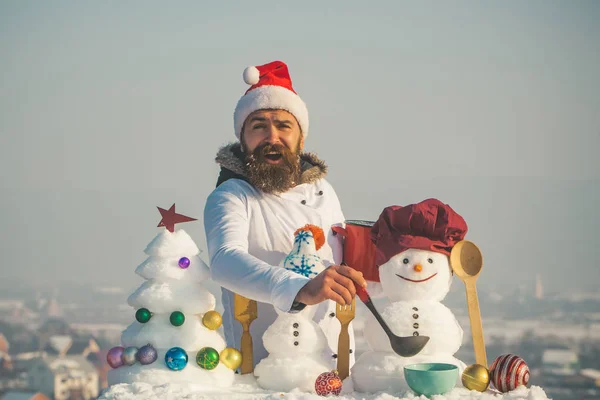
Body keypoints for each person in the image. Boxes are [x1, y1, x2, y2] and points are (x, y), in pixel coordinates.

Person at [203, 61, 367, 369]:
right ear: (243, 139)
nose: (272, 136)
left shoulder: (323, 191)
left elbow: (343, 266)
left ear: (301, 139)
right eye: (259, 126)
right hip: (265, 372)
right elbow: (224, 259)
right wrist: (298, 288)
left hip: (335, 367)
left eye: (283, 125)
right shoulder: (231, 194)